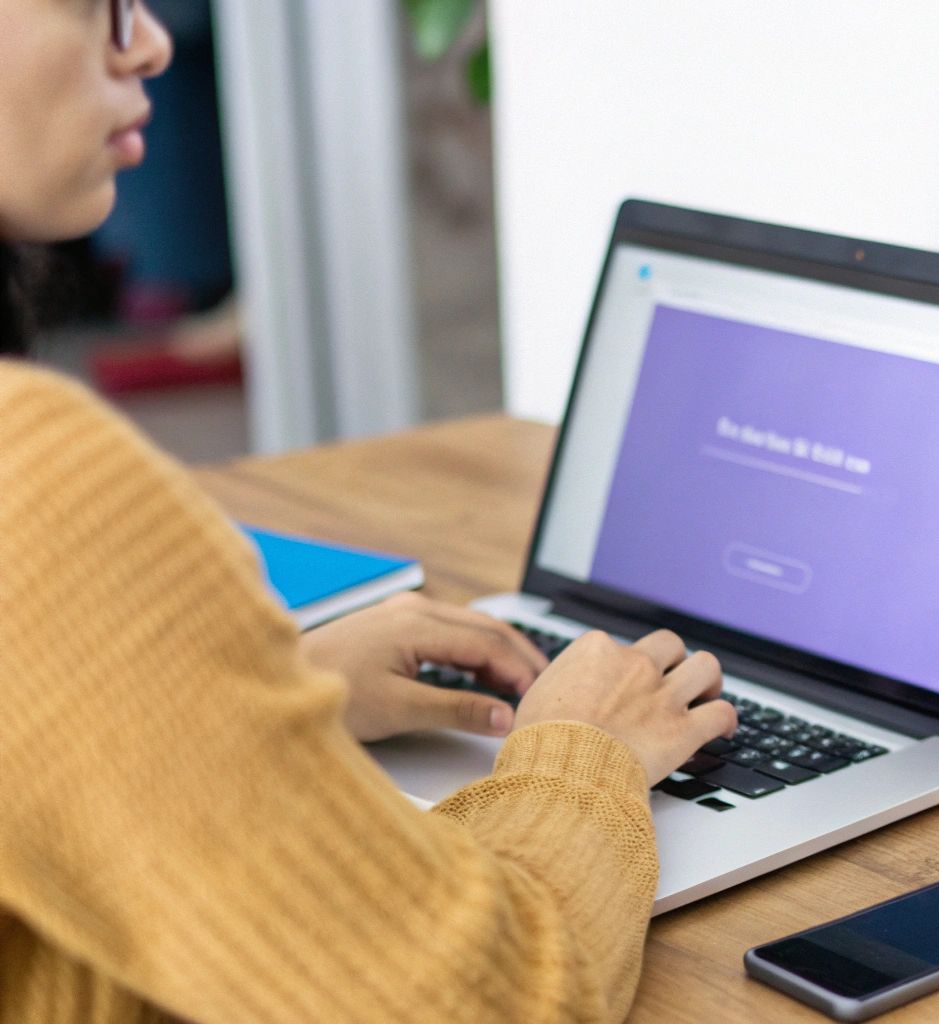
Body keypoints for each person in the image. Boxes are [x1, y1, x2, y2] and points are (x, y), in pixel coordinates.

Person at [0, 2, 738, 1021]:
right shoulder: (32, 481)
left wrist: (236, 705)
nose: (149, 41)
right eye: (96, 4)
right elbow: (496, 1004)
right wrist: (587, 751)